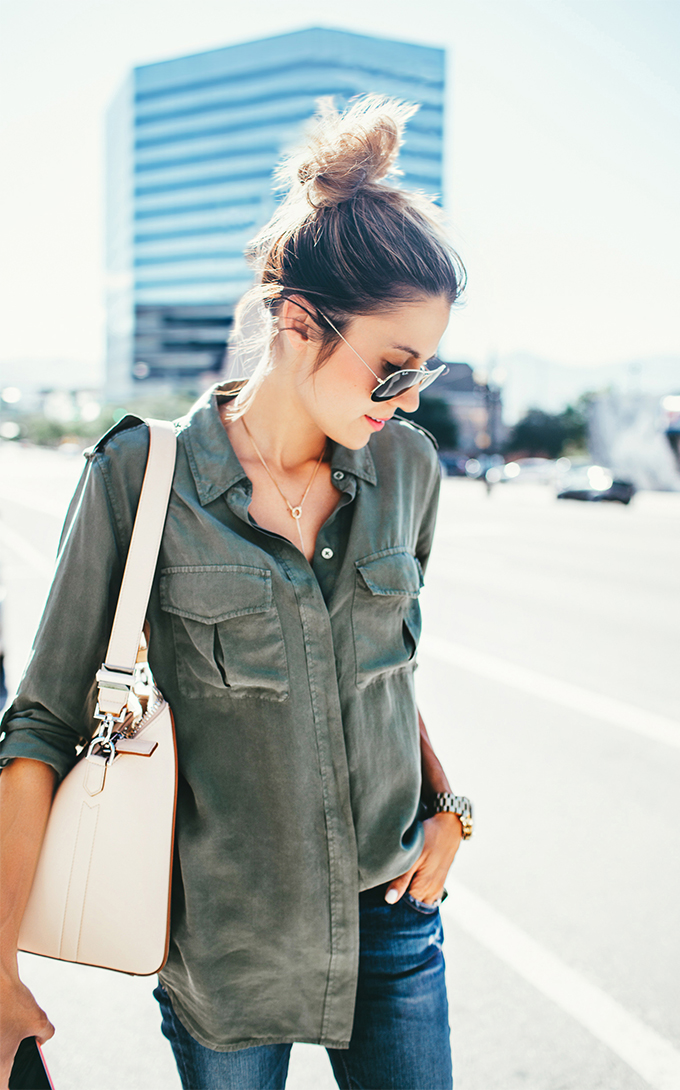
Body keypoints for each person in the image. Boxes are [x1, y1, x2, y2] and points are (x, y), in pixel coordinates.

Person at [0, 95, 471, 1090]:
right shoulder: (141, 474)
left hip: (392, 927)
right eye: (391, 369)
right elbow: (40, 724)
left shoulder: (407, 471)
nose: (409, 398)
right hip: (225, 947)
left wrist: (444, 803)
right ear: (298, 323)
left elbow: (382, 668)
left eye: (422, 371)